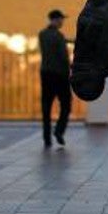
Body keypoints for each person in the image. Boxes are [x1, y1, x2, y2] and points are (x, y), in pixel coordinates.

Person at [39, 9, 72, 147]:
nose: (62, 22)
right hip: (60, 76)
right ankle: (59, 131)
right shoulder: (58, 36)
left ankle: (47, 138)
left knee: (46, 108)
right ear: (55, 19)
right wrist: (71, 67)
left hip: (46, 74)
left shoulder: (42, 34)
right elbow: (63, 57)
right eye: (61, 19)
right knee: (66, 104)